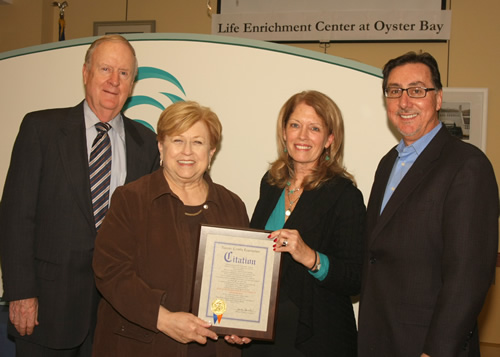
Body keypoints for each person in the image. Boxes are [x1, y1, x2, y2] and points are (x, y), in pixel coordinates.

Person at [0, 35, 160, 356]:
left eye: (124, 73)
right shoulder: (41, 129)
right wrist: (20, 293)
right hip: (46, 310)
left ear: (133, 83)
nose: (114, 81)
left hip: (115, 317)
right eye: (105, 69)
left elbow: (151, 230)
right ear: (85, 73)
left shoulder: (147, 144)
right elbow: (16, 217)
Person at [357, 52, 499, 357]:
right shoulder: (388, 163)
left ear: (438, 99)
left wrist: (436, 351)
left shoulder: (468, 166)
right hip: (379, 339)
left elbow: (468, 277)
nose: (404, 101)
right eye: (394, 91)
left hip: (427, 346)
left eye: (417, 90)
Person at [92, 101, 251, 356]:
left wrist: (242, 323)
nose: (187, 151)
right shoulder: (131, 200)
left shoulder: (232, 206)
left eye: (198, 142)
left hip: (212, 348)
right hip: (143, 345)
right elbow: (110, 273)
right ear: (161, 146)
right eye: (178, 140)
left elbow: (241, 281)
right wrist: (163, 319)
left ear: (211, 152)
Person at [243, 90, 366, 356]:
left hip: (316, 336)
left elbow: (356, 278)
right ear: (284, 132)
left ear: (329, 139)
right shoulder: (271, 183)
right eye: (295, 125)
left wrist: (311, 257)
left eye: (314, 128)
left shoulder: (344, 195)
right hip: (265, 331)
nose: (302, 136)